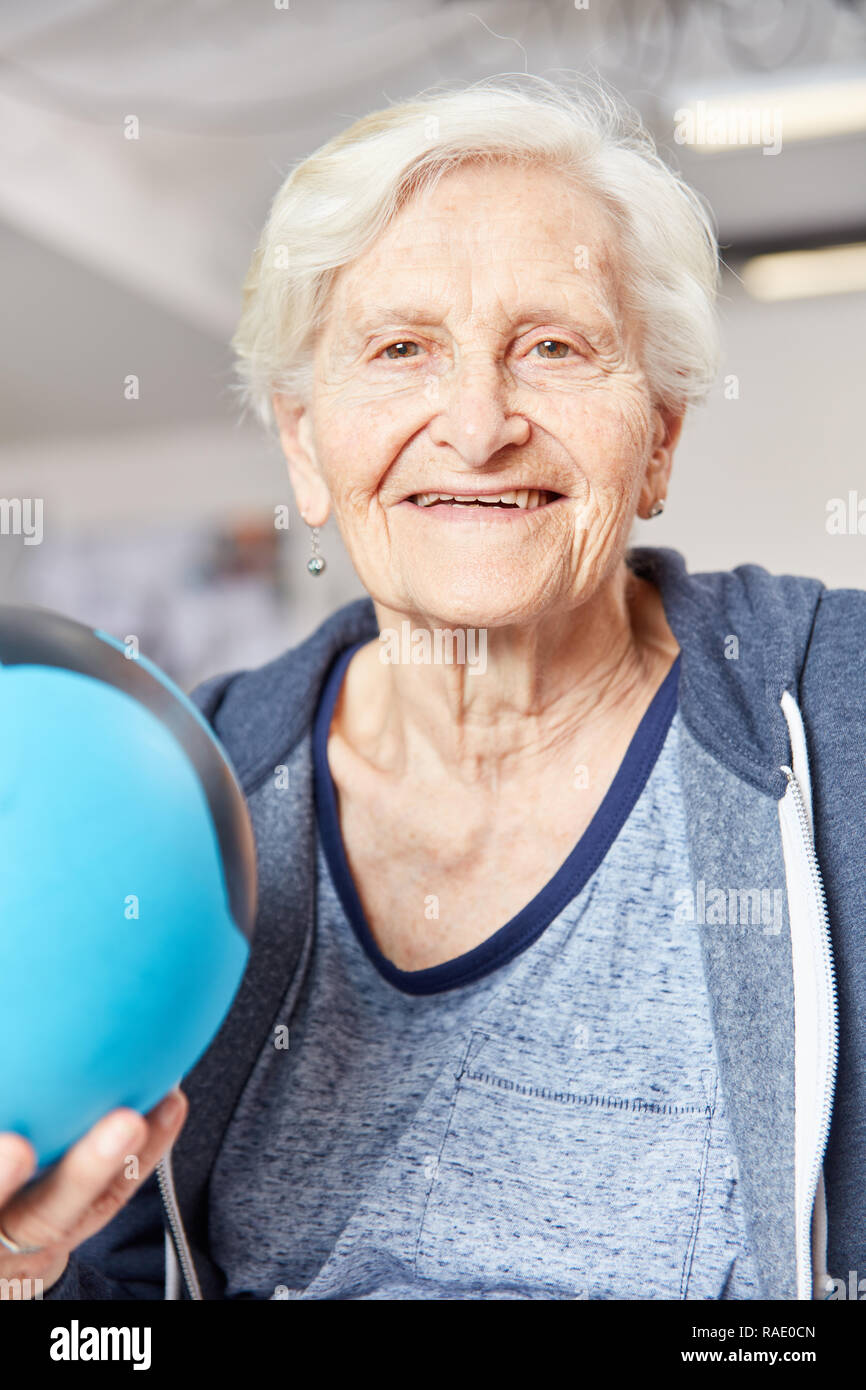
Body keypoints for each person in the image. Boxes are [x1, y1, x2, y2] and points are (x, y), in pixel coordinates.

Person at [2, 75, 863, 1301]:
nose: (475, 422)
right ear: (303, 443)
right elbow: (111, 1312)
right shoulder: (191, 803)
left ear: (658, 433)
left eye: (552, 348)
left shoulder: (833, 718)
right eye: (401, 349)